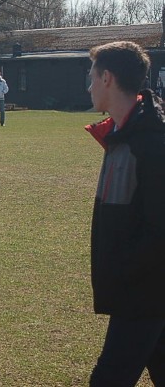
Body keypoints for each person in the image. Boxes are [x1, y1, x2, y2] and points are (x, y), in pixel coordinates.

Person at [84, 41, 165, 385]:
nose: (88, 86)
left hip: (144, 292)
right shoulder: (122, 135)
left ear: (108, 79)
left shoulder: (151, 142)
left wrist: (123, 268)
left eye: (91, 77)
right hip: (139, 290)